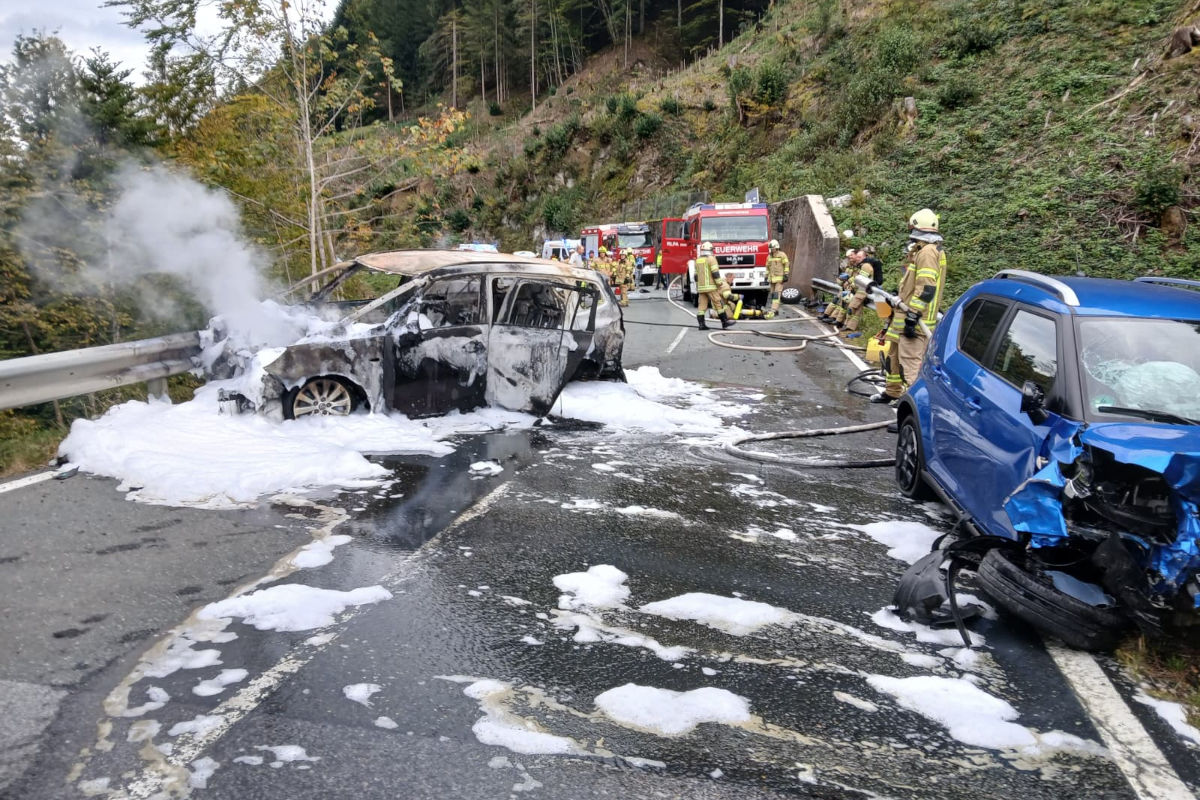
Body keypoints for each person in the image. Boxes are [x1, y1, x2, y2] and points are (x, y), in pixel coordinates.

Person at [872, 208, 947, 404]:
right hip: (903, 318)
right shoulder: (923, 251)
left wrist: (913, 314)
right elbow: (914, 284)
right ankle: (892, 392)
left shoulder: (928, 252)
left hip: (915, 321)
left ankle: (914, 411)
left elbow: (927, 288)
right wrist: (899, 297)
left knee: (910, 365)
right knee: (894, 359)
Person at [694, 242, 735, 330]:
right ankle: (725, 322)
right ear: (710, 250)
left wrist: (698, 286)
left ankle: (701, 325)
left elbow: (695, 276)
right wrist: (719, 283)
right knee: (718, 304)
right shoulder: (711, 259)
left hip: (701, 288)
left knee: (702, 306)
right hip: (711, 287)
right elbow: (715, 273)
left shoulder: (697, 260)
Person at [763, 239, 790, 319]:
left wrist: (786, 275)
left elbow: (786, 265)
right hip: (772, 280)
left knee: (776, 295)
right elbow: (767, 268)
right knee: (772, 294)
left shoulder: (782, 255)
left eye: (772, 248)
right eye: (770, 248)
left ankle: (774, 310)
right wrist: (766, 277)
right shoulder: (769, 257)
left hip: (779, 279)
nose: (771, 250)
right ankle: (776, 310)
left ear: (776, 248)